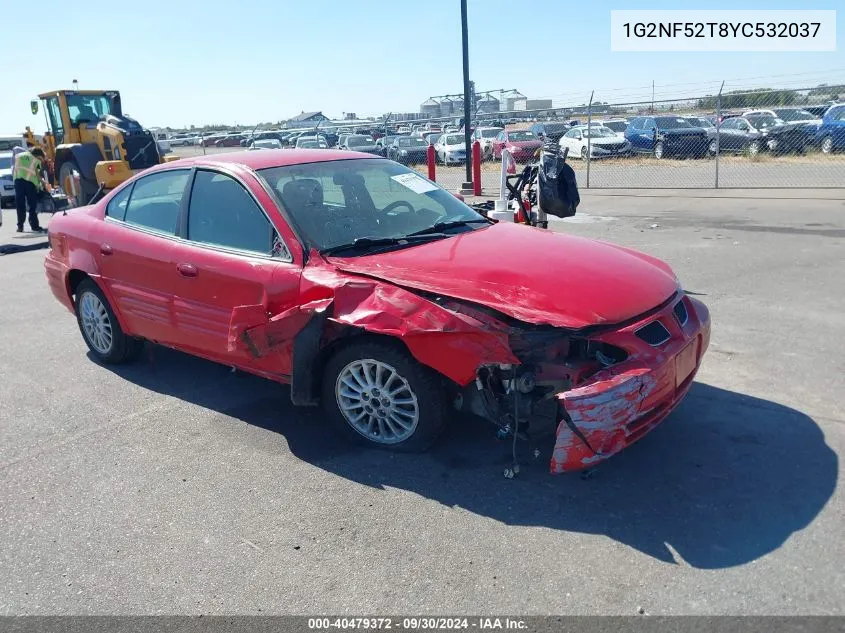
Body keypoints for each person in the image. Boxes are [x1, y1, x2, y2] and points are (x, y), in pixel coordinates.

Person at [12, 146, 47, 233]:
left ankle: (20, 226)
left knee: (20, 204)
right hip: (30, 184)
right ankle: (34, 226)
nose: (42, 160)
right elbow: (38, 174)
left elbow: (14, 168)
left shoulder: (18, 156)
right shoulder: (36, 161)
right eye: (42, 158)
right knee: (32, 205)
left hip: (18, 182)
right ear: (39, 156)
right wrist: (42, 184)